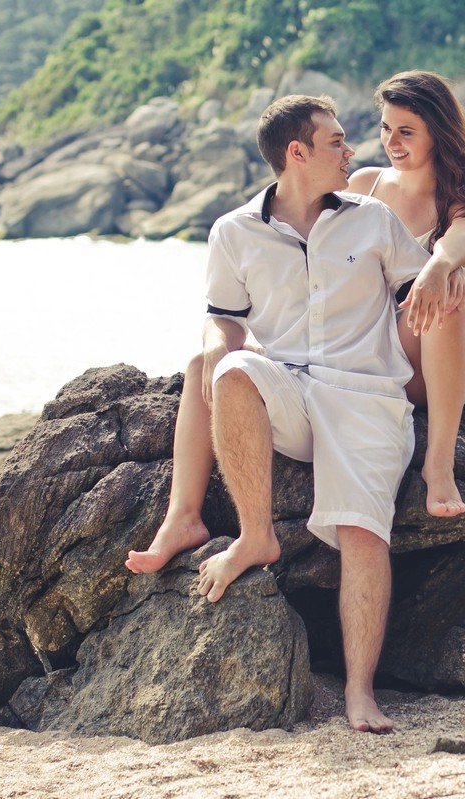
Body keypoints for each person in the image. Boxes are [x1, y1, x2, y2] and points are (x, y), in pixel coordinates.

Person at [127, 95, 428, 733]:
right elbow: (223, 323)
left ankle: (360, 693)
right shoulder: (233, 231)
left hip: (367, 398)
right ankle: (254, 534)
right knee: (230, 368)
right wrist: (211, 357)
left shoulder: (373, 219)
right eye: (338, 142)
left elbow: (427, 298)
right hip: (289, 389)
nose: (353, 153)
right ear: (298, 153)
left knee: (363, 536)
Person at [347, 70, 465, 518]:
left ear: (437, 133)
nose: (392, 142)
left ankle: (439, 467)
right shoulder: (364, 186)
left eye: (406, 132)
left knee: (450, 299)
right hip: (354, 350)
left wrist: (439, 266)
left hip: (415, 365)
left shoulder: (456, 200)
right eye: (385, 129)